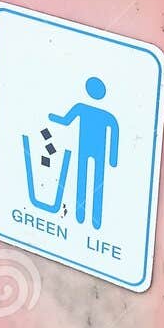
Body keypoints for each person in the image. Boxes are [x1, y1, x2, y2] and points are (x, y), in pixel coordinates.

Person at [48, 77, 119, 231]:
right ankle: (85, 217)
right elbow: (66, 120)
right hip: (88, 149)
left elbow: (114, 134)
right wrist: (52, 117)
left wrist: (113, 159)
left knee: (92, 180)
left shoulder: (89, 110)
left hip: (91, 150)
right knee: (88, 179)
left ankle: (91, 219)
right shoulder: (102, 114)